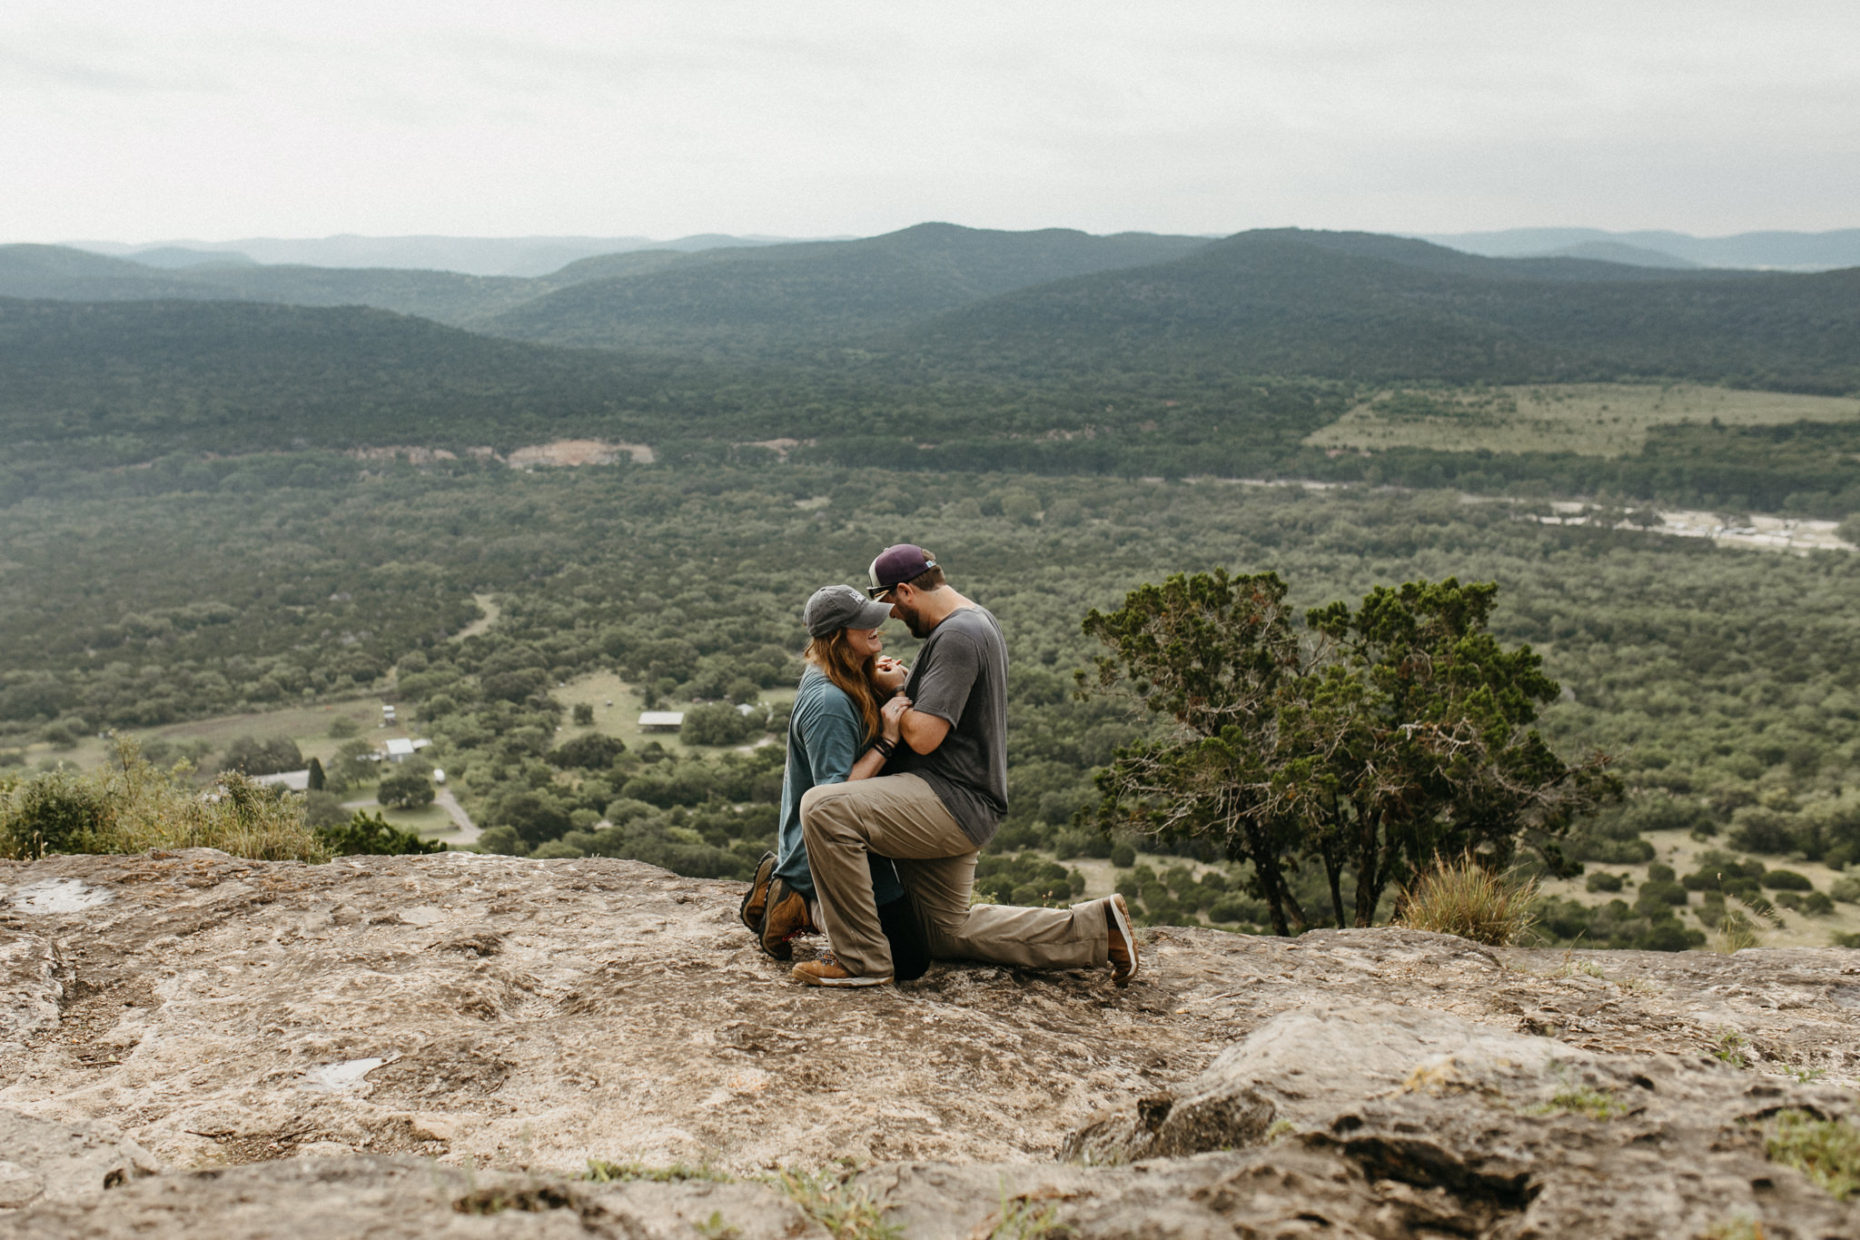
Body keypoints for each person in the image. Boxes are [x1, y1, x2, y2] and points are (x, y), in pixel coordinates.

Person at [790, 544, 1138, 989]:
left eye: (888, 604)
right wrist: (897, 686)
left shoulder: (957, 635)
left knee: (823, 808)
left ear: (904, 591)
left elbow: (924, 735)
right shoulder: (974, 621)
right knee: (943, 933)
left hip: (946, 800)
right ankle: (1099, 929)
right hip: (962, 801)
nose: (889, 617)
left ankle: (860, 960)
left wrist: (894, 693)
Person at [739, 584, 929, 979]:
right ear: (836, 637)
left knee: (911, 949)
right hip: (828, 852)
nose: (878, 627)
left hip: (844, 842)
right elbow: (834, 797)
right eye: (864, 626)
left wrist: (885, 686)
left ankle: (785, 878)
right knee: (909, 961)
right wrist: (889, 739)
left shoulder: (835, 676)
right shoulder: (829, 704)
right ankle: (797, 899)